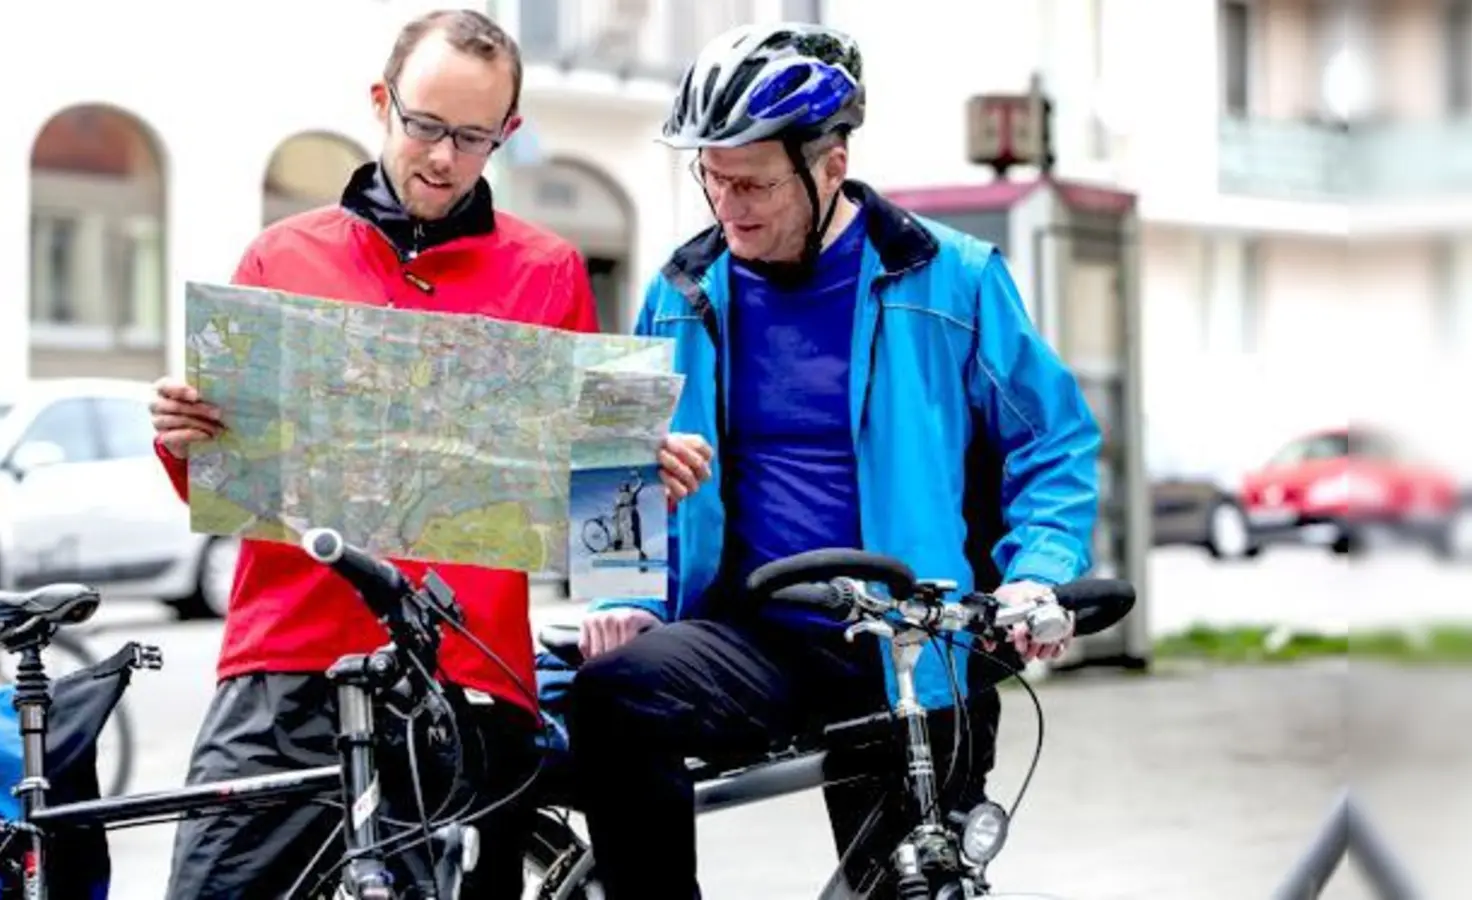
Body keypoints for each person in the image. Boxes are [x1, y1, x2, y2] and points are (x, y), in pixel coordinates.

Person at [146, 10, 710, 897]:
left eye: (473, 137)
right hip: (288, 657)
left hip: (463, 672)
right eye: (425, 127)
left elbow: (599, 509)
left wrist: (644, 480)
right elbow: (222, 483)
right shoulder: (280, 257)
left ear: (507, 136)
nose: (443, 158)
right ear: (381, 103)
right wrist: (183, 437)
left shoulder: (550, 270)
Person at [566, 22, 1102, 900]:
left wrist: (1037, 574)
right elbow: (613, 464)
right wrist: (622, 595)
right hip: (755, 636)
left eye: (753, 184)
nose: (728, 206)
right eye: (711, 178)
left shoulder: (953, 280)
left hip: (912, 647)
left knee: (904, 884)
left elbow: (1055, 443)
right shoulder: (680, 289)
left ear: (829, 164)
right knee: (613, 697)